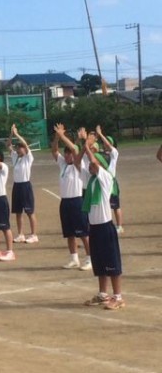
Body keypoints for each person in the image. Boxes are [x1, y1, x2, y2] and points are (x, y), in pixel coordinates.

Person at [79, 133, 124, 310]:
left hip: (105, 227)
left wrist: (87, 144)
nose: (90, 166)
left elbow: (94, 163)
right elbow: (77, 162)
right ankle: (103, 294)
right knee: (99, 263)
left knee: (112, 262)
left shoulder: (105, 178)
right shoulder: (90, 181)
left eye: (93, 163)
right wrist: (84, 146)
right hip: (95, 227)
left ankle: (118, 297)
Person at [52, 124, 92, 271]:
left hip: (77, 201)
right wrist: (57, 137)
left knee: (83, 232)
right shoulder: (63, 164)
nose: (68, 155)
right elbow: (54, 150)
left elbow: (75, 149)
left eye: (69, 153)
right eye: (66, 153)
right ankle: (74, 258)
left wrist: (63, 136)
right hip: (65, 202)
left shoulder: (78, 164)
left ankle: (89, 258)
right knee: (69, 233)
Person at [8, 124, 38, 244]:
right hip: (17, 186)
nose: (19, 149)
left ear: (25, 150)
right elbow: (8, 145)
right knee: (18, 212)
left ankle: (34, 234)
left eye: (20, 148)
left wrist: (17, 134)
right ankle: (20, 234)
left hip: (25, 186)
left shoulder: (28, 158)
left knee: (30, 212)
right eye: (18, 148)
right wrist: (11, 134)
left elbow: (25, 144)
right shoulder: (15, 157)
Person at [96, 125, 123, 234]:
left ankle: (119, 226)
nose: (105, 144)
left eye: (107, 142)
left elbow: (107, 145)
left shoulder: (114, 154)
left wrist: (100, 134)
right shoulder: (102, 154)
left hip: (111, 183)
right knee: (105, 204)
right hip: (103, 182)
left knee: (116, 205)